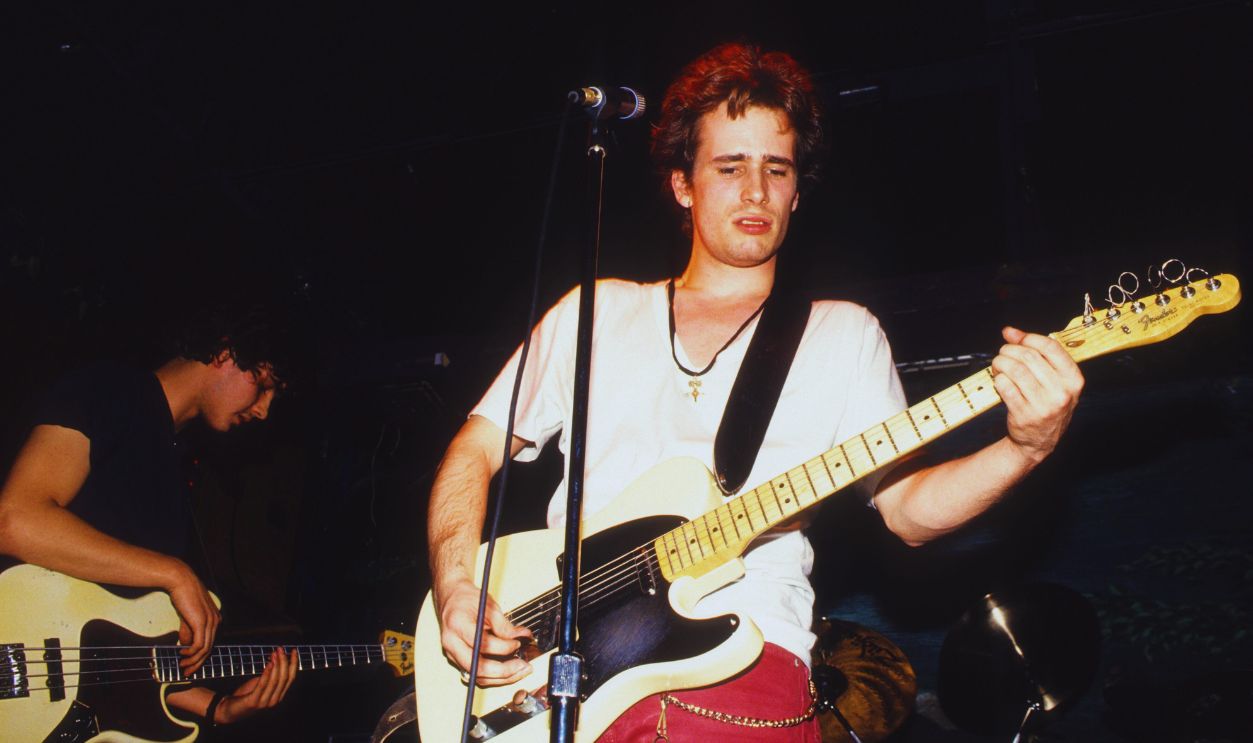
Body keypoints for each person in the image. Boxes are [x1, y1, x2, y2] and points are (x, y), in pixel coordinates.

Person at [426, 43, 1084, 740]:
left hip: (738, 669)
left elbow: (910, 512)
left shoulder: (842, 334)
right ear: (682, 182)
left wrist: (1024, 446)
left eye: (776, 169)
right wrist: (456, 586)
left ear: (797, 191)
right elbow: (474, 448)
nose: (754, 191)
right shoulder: (593, 311)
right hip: (556, 678)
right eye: (729, 166)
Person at [0, 305, 299, 728]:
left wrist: (223, 708)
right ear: (226, 353)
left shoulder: (174, 465)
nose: (265, 410)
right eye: (265, 385)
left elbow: (133, 659)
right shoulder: (110, 389)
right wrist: (174, 573)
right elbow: (15, 521)